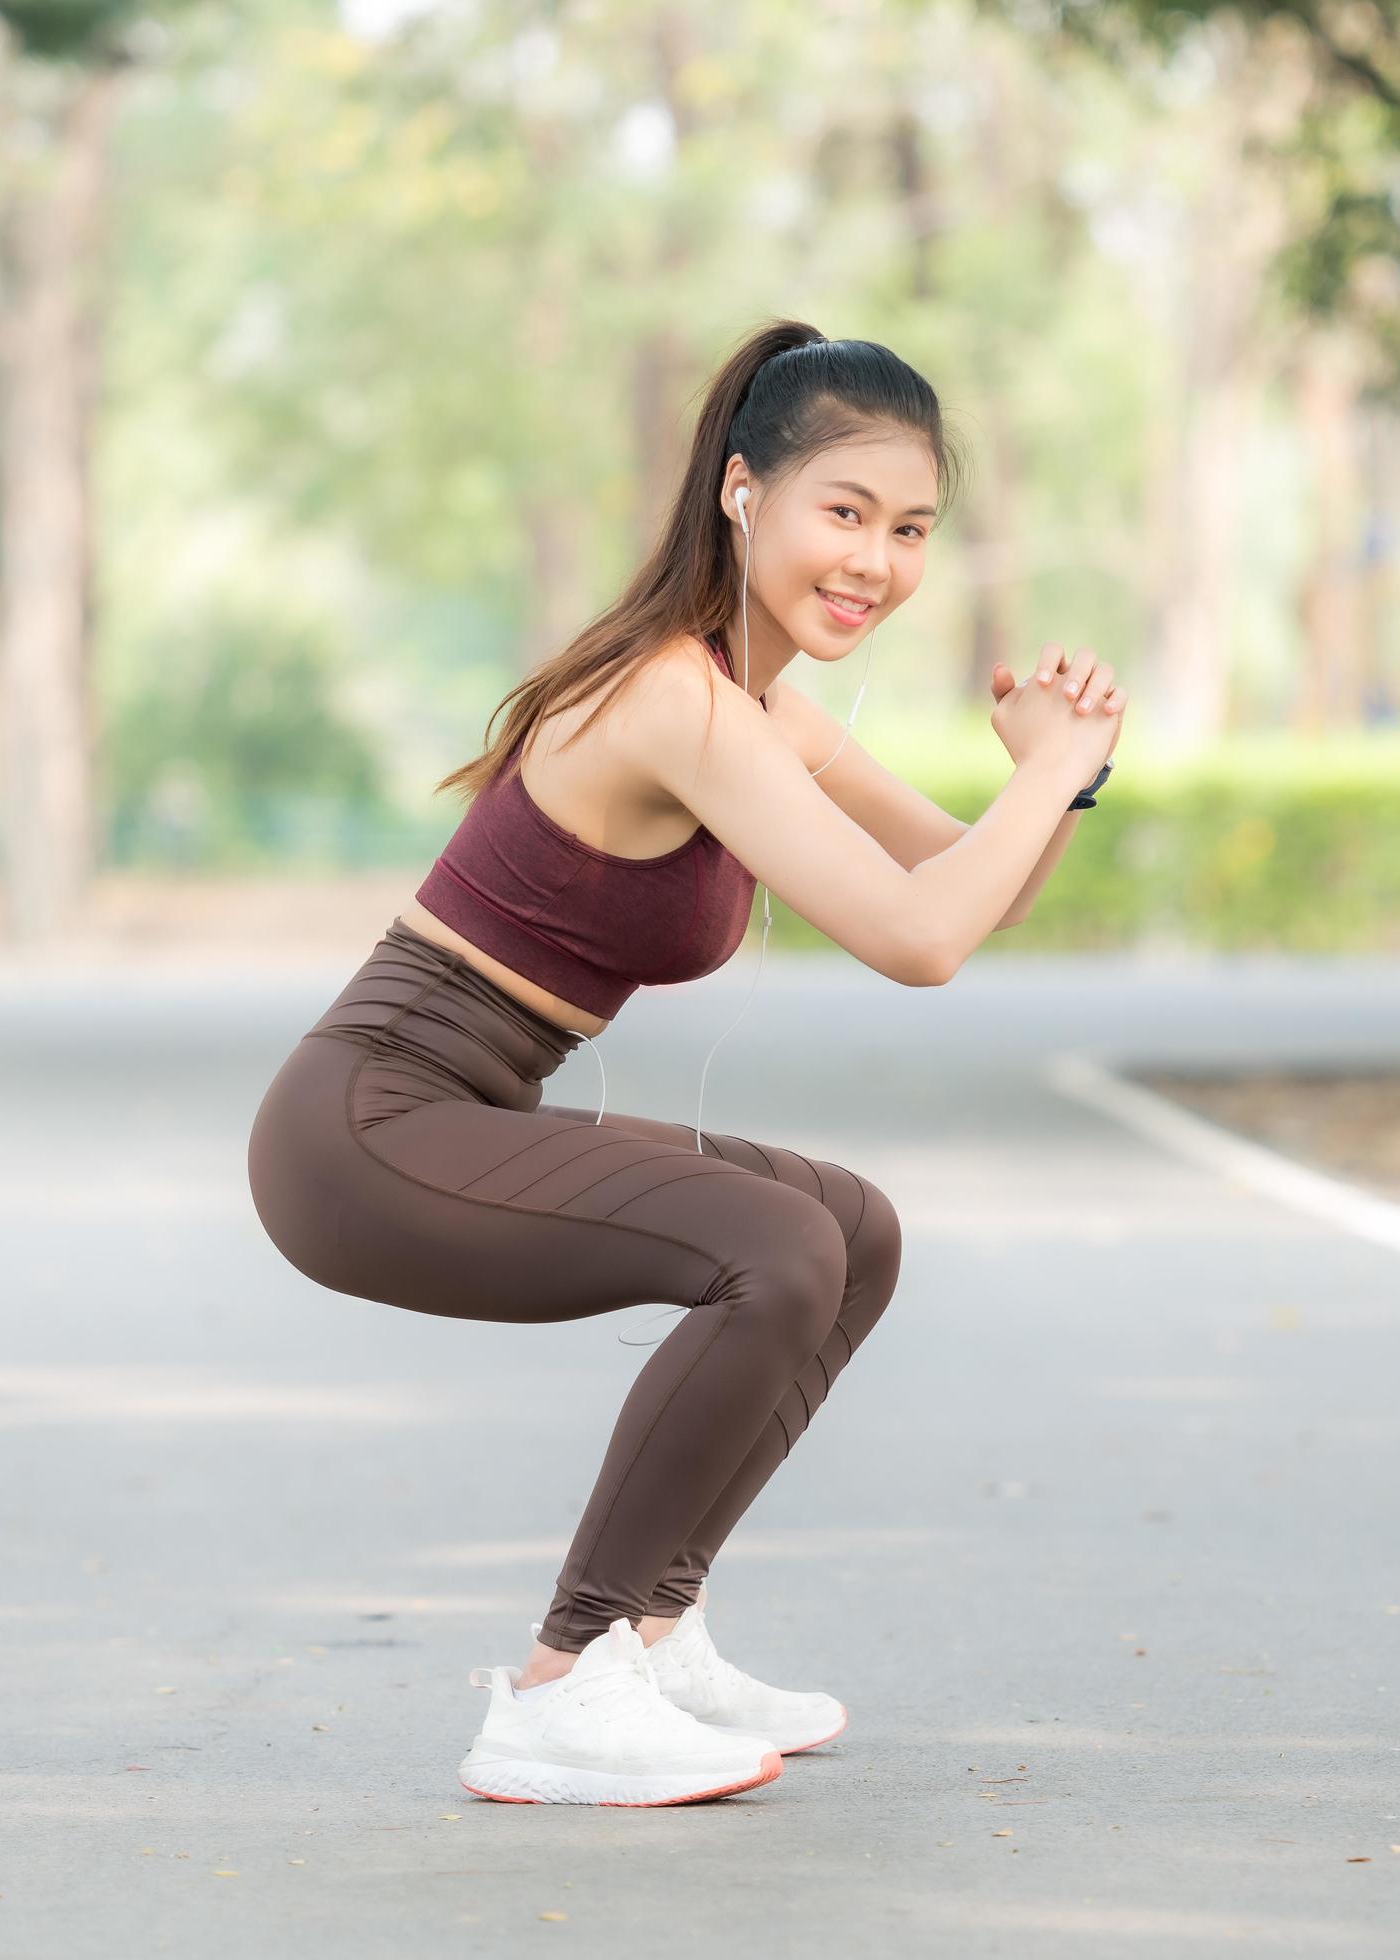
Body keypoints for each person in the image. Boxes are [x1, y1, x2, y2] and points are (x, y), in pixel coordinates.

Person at [244, 321, 1126, 1807]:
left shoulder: (757, 702)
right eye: (841, 513)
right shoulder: (678, 700)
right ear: (741, 494)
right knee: (776, 1245)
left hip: (449, 1108)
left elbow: (968, 892)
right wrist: (1043, 771)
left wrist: (1066, 777)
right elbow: (917, 943)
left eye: (910, 530)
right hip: (365, 1127)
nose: (875, 561)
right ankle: (557, 1686)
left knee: (850, 1229)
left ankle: (650, 1634)